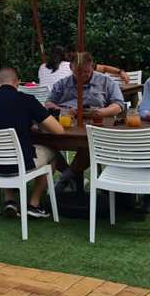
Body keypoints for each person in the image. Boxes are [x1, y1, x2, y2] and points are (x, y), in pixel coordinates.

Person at [0, 67, 65, 219]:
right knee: (53, 153)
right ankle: (34, 204)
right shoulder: (26, 100)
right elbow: (58, 130)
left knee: (5, 150)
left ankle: (9, 200)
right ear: (18, 83)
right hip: (16, 165)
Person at [44, 52, 126, 192]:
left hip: (96, 124)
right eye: (78, 72)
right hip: (68, 125)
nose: (83, 75)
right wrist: (62, 110)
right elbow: (49, 103)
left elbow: (119, 105)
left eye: (87, 72)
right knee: (45, 143)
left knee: (91, 144)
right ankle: (70, 174)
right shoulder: (63, 84)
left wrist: (101, 112)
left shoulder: (106, 82)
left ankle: (65, 178)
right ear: (71, 68)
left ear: (92, 67)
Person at [38, 46, 129, 88]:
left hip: (44, 104)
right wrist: (120, 72)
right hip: (65, 103)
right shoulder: (71, 65)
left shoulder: (42, 67)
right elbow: (104, 68)